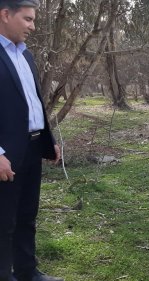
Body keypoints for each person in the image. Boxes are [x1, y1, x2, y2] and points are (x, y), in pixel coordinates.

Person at [0, 1, 62, 281]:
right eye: (27, 19)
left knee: (27, 216)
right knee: (4, 221)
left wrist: (49, 141)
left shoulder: (26, 56)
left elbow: (34, 103)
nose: (33, 27)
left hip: (32, 148)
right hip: (6, 155)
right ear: (5, 15)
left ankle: (27, 272)